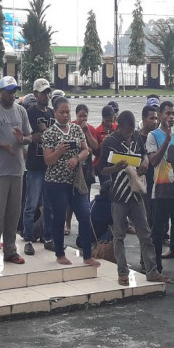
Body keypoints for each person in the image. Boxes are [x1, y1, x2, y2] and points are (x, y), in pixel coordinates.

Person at [98, 111, 171, 286]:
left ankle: (152, 271)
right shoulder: (109, 142)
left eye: (131, 131)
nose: (128, 134)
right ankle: (122, 272)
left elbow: (144, 153)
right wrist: (114, 168)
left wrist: (145, 161)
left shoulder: (137, 137)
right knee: (119, 236)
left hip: (136, 193)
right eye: (126, 131)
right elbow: (101, 169)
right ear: (119, 127)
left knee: (145, 234)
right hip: (119, 195)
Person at [0, 76, 32, 271]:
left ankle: (10, 251)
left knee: (13, 214)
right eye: (9, 91)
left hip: (17, 170)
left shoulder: (21, 111)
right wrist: (3, 146)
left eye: (14, 91)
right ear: (0, 91)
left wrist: (22, 139)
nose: (12, 94)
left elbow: (30, 136)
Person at [42, 97, 100, 267]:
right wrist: (59, 151)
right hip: (56, 182)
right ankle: (60, 253)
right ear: (55, 113)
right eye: (62, 112)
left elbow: (86, 150)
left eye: (67, 112)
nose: (65, 115)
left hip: (76, 182)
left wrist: (77, 159)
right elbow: (48, 160)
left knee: (85, 215)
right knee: (59, 216)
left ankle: (87, 255)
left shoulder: (76, 129)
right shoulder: (49, 133)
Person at [146, 101, 174, 274]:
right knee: (157, 232)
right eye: (168, 113)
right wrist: (166, 141)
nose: (171, 117)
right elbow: (154, 161)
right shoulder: (153, 135)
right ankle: (157, 269)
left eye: (173, 114)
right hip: (161, 192)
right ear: (160, 115)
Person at [23, 78, 56, 255]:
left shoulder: (51, 113)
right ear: (35, 94)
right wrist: (44, 134)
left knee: (49, 206)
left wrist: (44, 132)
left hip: (49, 166)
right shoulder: (30, 113)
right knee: (31, 205)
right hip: (35, 166)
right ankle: (28, 238)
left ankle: (48, 237)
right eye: (43, 93)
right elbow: (32, 137)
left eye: (47, 92)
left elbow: (56, 137)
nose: (46, 96)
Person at [64, 104, 99, 238]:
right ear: (76, 115)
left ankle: (83, 227)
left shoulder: (90, 129)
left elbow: (95, 147)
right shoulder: (71, 127)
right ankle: (67, 223)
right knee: (70, 200)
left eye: (85, 116)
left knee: (85, 199)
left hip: (86, 168)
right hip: (74, 166)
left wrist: (87, 132)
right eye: (80, 116)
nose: (83, 118)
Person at [93, 105, 118, 181]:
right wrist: (104, 143)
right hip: (103, 164)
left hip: (115, 162)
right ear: (103, 118)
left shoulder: (117, 128)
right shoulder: (97, 131)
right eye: (107, 121)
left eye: (111, 120)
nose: (109, 123)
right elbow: (95, 151)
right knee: (105, 185)